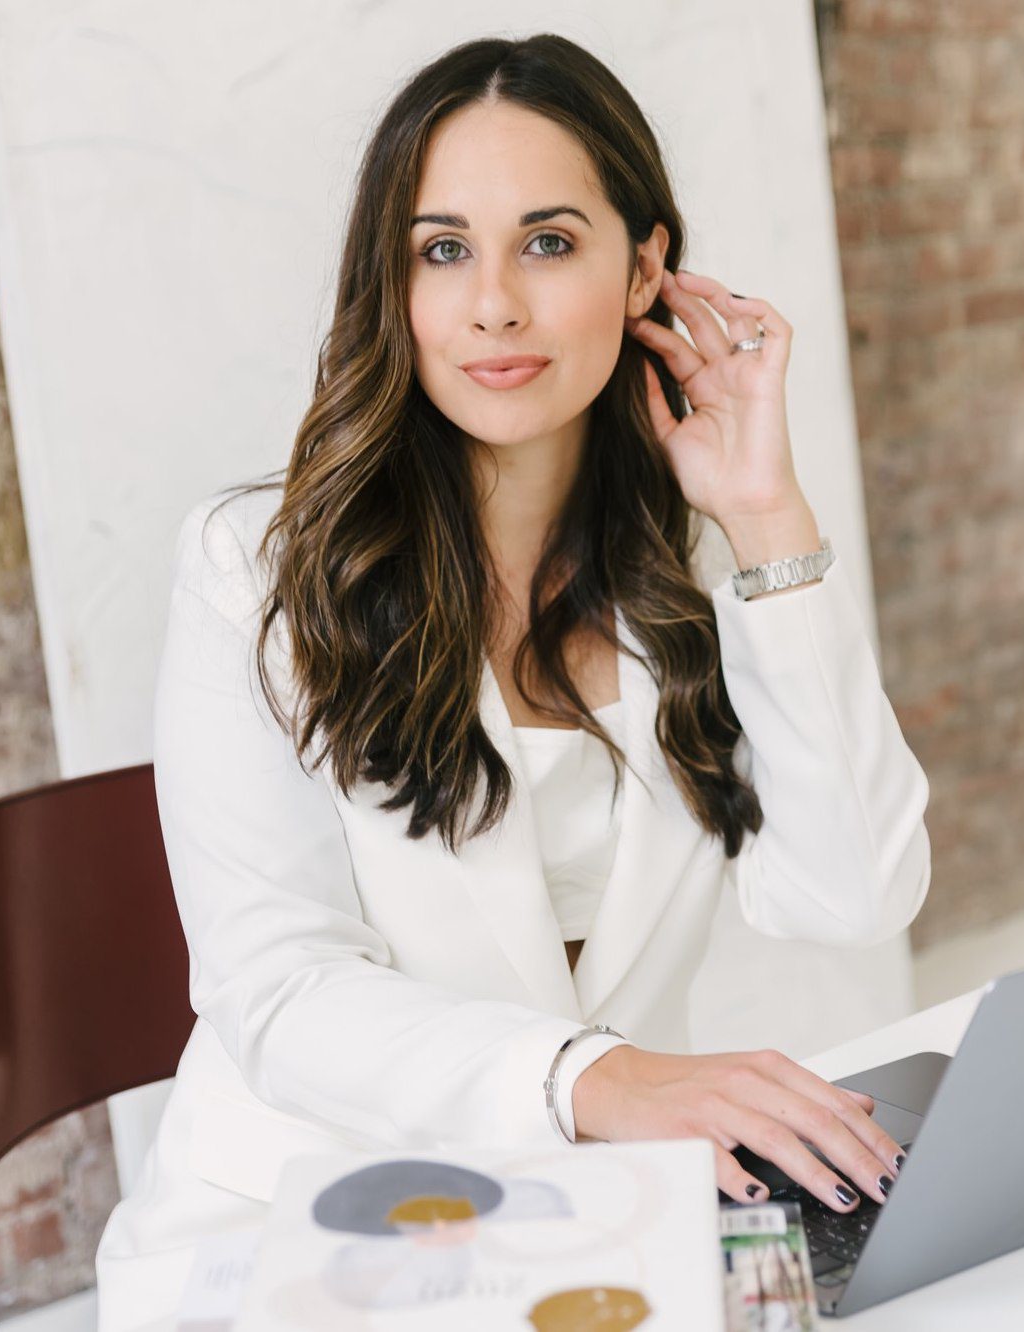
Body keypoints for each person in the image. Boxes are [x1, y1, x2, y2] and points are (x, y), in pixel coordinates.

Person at [94, 32, 931, 1329]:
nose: (492, 304)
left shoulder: (700, 564)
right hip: (299, 1233)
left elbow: (857, 894)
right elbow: (279, 992)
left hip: (587, 1236)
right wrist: (593, 1078)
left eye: (546, 242)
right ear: (394, 278)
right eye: (442, 249)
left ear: (643, 262)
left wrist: (767, 513)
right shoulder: (255, 572)